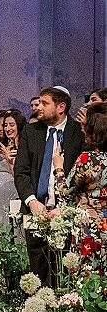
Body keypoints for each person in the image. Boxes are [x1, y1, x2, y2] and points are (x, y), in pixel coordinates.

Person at [14, 86, 84, 284]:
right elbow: (21, 172)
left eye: (45, 104)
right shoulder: (30, 131)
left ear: (61, 107)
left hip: (67, 215)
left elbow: (82, 178)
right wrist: (32, 202)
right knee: (38, 274)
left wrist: (65, 209)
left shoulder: (78, 132)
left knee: (65, 276)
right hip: (36, 213)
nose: (39, 108)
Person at [53, 102, 107, 273]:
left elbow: (65, 193)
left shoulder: (87, 159)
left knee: (88, 280)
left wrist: (59, 168)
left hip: (90, 228)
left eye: (86, 125)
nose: (82, 129)